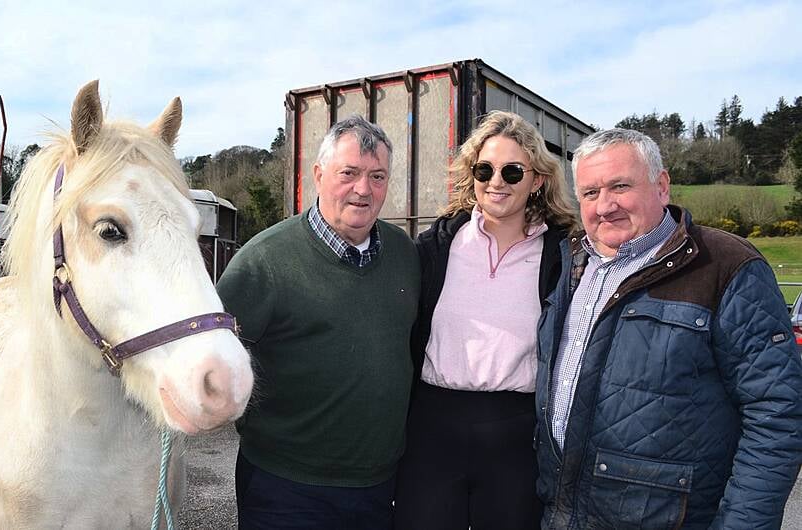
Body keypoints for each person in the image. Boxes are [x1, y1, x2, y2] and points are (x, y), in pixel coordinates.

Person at [534, 128, 802, 528]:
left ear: (661, 186)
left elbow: (777, 413)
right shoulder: (571, 265)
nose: (604, 206)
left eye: (620, 186)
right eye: (590, 193)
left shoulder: (723, 266)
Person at [216, 115, 420, 529]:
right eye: (349, 173)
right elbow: (215, 356)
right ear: (318, 175)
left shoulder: (405, 255)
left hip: (378, 487)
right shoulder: (263, 262)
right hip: (285, 489)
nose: (363, 189)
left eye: (377, 176)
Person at [394, 111, 577, 530]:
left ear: (537, 181)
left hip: (516, 432)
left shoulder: (563, 256)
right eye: (485, 169)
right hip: (433, 427)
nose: (497, 182)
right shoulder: (435, 247)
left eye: (513, 171)